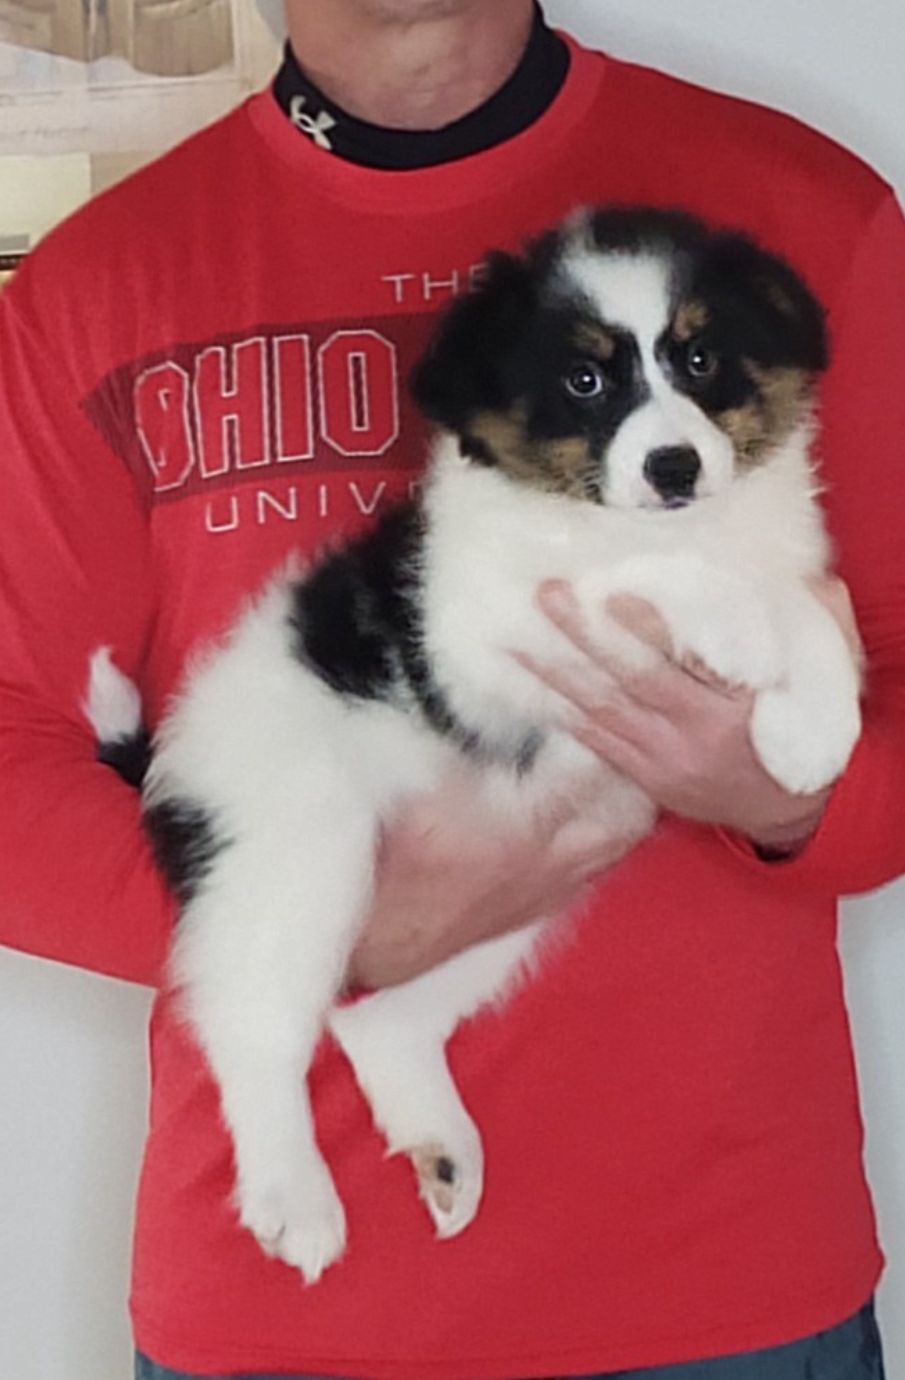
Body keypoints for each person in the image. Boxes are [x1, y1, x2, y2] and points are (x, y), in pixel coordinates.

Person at [0, 1, 902, 1376]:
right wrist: (326, 932)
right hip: (282, 1309)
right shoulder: (92, 290)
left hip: (721, 1290)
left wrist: (793, 800)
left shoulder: (800, 217)